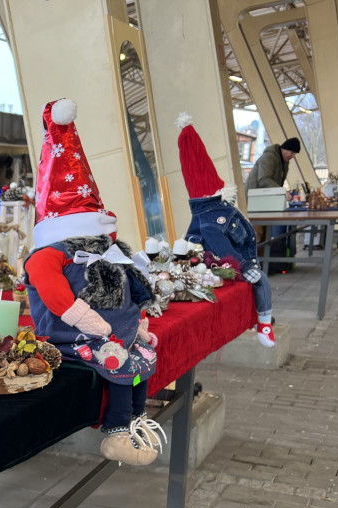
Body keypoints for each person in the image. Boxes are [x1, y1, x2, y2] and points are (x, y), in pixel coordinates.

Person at [23, 99, 162, 466]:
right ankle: (116, 431)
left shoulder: (106, 248)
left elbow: (129, 283)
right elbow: (54, 294)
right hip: (74, 335)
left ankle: (135, 418)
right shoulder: (49, 254)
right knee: (117, 361)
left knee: (139, 361)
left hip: (117, 329)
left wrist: (139, 323)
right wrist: (91, 322)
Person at [177, 114, 276, 347]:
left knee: (258, 282)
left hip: (220, 265)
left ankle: (260, 321)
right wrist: (244, 267)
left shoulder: (215, 211)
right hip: (227, 266)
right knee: (260, 281)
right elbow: (224, 250)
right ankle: (264, 323)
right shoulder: (213, 218)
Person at [246, 136, 300, 261]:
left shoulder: (284, 162)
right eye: (291, 153)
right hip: (255, 202)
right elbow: (264, 179)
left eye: (294, 154)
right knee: (257, 235)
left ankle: (263, 264)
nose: (293, 156)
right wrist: (282, 192)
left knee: (265, 236)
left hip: (266, 202)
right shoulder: (269, 157)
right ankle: (253, 264)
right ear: (284, 149)